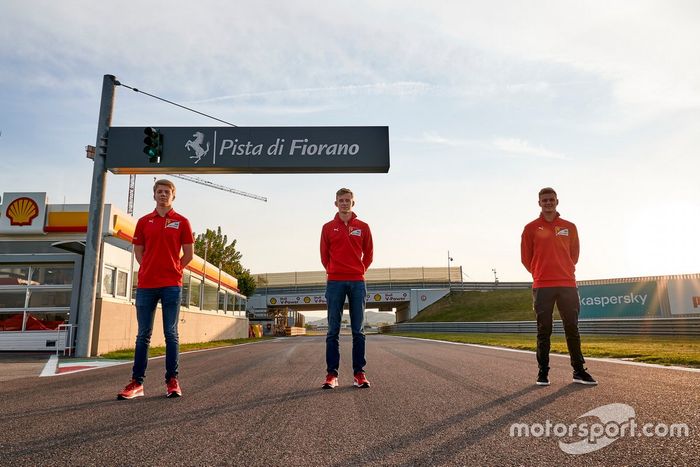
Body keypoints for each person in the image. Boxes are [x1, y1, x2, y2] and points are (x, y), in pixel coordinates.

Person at [118, 179, 194, 399]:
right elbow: (139, 252)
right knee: (143, 335)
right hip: (146, 285)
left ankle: (172, 381)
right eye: (159, 191)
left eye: (167, 192)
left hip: (172, 285)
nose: (163, 195)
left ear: (173, 195)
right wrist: (150, 269)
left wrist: (174, 268)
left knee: (171, 333)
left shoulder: (182, 222)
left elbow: (188, 255)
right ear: (154, 195)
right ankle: (136, 383)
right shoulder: (143, 222)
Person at [520, 187, 597, 386]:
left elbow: (575, 255)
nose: (548, 203)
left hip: (567, 284)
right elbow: (525, 258)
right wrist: (540, 273)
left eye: (551, 199)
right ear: (539, 203)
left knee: (572, 328)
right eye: (544, 200)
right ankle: (543, 373)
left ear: (557, 201)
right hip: (543, 286)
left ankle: (579, 371)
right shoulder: (530, 228)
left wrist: (564, 270)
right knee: (543, 330)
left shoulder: (569, 226)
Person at [320, 188, 373, 389]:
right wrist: (335, 272)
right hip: (335, 282)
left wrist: (358, 271)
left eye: (347, 200)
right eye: (341, 200)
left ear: (353, 203)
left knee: (358, 330)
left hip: (358, 282)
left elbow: (368, 254)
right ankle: (331, 375)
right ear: (336, 204)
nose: (344, 203)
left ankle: (359, 373)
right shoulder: (327, 228)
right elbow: (324, 256)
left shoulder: (363, 227)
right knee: (333, 330)